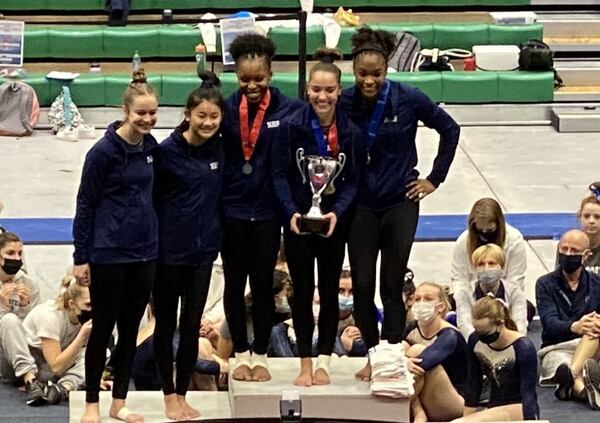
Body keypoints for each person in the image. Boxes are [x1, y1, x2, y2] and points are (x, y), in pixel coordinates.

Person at [339, 26, 461, 381]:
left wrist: (434, 178)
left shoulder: (409, 98)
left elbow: (449, 130)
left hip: (400, 202)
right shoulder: (345, 101)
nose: (369, 81)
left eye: (376, 74)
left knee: (391, 284)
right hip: (360, 204)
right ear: (353, 71)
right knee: (361, 284)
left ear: (387, 70)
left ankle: (392, 356)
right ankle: (373, 356)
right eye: (362, 74)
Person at [272, 48, 363, 386]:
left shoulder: (350, 133)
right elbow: (279, 174)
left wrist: (338, 212)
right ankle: (305, 363)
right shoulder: (291, 127)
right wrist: (289, 211)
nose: (322, 96)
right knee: (302, 290)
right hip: (297, 220)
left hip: (332, 226)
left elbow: (353, 180)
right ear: (307, 90)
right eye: (316, 90)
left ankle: (324, 358)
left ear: (340, 91)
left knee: (326, 289)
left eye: (329, 90)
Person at [73, 69, 159, 423]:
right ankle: (92, 401)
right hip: (108, 253)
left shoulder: (152, 148)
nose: (148, 119)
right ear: (126, 111)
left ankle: (119, 400)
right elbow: (85, 204)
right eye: (141, 113)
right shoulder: (103, 152)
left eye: (153, 113)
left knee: (130, 331)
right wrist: (81, 257)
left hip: (145, 252)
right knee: (103, 328)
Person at [220, 33, 303, 382]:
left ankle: (261, 353)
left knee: (263, 283)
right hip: (232, 210)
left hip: (269, 212)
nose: (252, 85)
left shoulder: (290, 109)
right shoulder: (224, 109)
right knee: (234, 284)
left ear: (270, 74)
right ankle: (240, 351)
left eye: (259, 78)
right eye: (244, 79)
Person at [152, 71, 225, 420]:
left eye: (214, 116)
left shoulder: (219, 150)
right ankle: (168, 395)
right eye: (202, 116)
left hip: (202, 254)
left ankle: (183, 392)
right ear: (187, 115)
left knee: (192, 323)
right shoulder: (166, 153)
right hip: (168, 255)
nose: (208, 122)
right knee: (165, 327)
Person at [536, 229, 600, 404]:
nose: (568, 254)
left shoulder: (597, 283)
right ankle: (583, 388)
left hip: (591, 345)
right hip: (557, 347)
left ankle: (571, 380)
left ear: (586, 255)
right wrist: (575, 326)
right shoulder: (544, 283)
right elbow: (549, 323)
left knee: (594, 330)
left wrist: (594, 323)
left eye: (574, 251)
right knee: (570, 369)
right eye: (564, 249)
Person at [454, 296, 539, 422]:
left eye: (486, 333)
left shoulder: (523, 348)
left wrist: (530, 420)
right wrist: (467, 416)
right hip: (493, 406)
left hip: (519, 407)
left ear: (501, 322)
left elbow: (528, 393)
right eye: (478, 331)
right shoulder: (475, 340)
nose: (481, 337)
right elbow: (473, 382)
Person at [23, 272, 94, 404]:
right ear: (72, 304)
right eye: (89, 305)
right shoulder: (49, 315)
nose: (94, 310)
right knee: (9, 321)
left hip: (55, 365)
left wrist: (96, 376)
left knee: (99, 353)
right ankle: (34, 383)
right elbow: (56, 367)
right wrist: (83, 334)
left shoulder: (86, 316)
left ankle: (62, 388)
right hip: (33, 363)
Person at [403, 282, 468, 422]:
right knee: (402, 348)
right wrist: (402, 361)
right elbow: (389, 352)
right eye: (417, 299)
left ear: (441, 307)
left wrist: (402, 361)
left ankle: (417, 413)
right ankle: (418, 412)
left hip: (454, 400)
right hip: (423, 398)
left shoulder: (450, 335)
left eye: (427, 299)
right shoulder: (412, 328)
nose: (421, 303)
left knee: (416, 352)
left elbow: (421, 363)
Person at [0, 231, 44, 405]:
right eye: (10, 253)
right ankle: (31, 381)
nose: (16, 258)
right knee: (9, 320)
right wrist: (3, 306)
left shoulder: (28, 283)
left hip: (25, 352)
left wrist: (26, 308)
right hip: (2, 357)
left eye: (19, 254)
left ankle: (30, 378)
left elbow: (34, 331)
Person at [451, 198, 528, 294]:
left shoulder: (514, 239)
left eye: (490, 230)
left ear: (499, 224)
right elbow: (459, 278)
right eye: (480, 230)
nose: (484, 234)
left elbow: (515, 280)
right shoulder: (464, 240)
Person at [455, 244, 528, 340]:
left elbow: (520, 325)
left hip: (507, 341)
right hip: (477, 343)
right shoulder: (464, 293)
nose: (486, 268)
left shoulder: (515, 292)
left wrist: (508, 342)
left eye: (492, 263)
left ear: (501, 267)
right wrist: (479, 345)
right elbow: (465, 325)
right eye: (481, 264)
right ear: (475, 269)